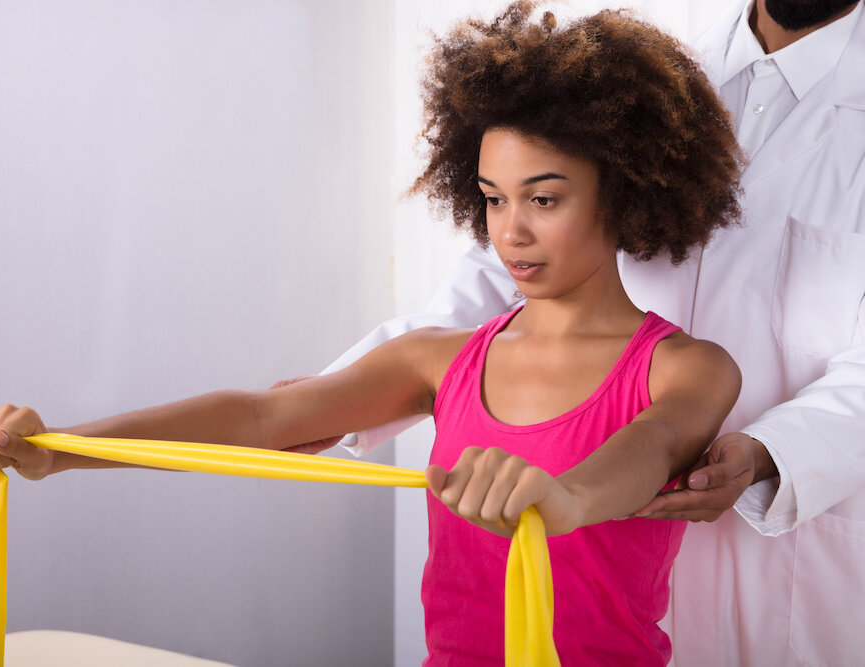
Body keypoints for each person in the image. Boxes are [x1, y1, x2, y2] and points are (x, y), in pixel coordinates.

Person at [0, 4, 746, 664]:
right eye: (494, 198)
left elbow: (651, 444)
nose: (511, 232)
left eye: (543, 199)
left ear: (629, 190)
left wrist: (564, 496)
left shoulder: (686, 368)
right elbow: (263, 418)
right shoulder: (437, 358)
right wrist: (60, 447)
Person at [315, 0, 865, 664]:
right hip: (596, 528)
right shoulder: (642, 83)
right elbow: (513, 264)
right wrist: (339, 392)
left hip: (778, 541)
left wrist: (771, 451)